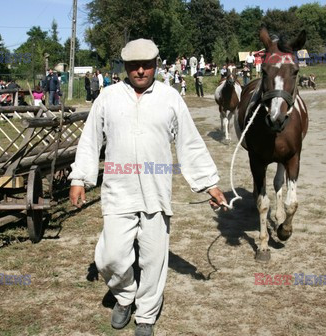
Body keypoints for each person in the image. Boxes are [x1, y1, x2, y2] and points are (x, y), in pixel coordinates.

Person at [68, 38, 227, 336]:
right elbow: (90, 140)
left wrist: (210, 185)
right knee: (109, 256)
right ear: (125, 67)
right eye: (133, 66)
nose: (140, 71)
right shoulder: (108, 96)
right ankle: (126, 295)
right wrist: (80, 178)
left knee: (153, 259)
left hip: (156, 191)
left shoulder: (170, 98)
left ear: (156, 64)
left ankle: (146, 314)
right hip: (119, 190)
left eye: (147, 65)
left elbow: (189, 142)